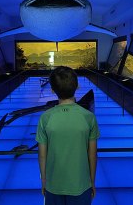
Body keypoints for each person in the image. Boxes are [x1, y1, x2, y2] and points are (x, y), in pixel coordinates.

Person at [36, 66, 100, 205]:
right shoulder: (88, 117)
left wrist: (44, 182)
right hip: (81, 185)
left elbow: (42, 155)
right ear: (77, 86)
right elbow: (92, 155)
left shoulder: (45, 118)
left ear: (52, 89)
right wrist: (92, 182)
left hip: (53, 185)